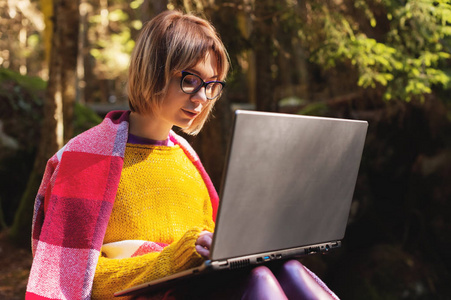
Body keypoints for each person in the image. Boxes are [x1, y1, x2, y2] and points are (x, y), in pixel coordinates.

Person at [26, 10, 339, 300]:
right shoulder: (85, 160)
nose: (202, 98)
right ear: (152, 70)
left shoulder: (187, 161)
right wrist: (176, 257)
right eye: (190, 80)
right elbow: (74, 282)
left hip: (202, 290)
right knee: (261, 282)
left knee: (288, 270)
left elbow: (213, 253)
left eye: (212, 85)